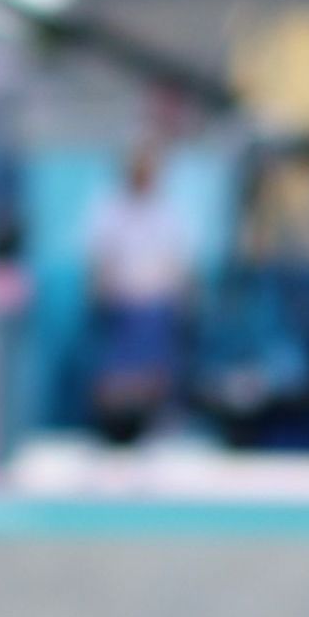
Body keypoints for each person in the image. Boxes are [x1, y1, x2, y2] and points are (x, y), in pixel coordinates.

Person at [76, 136, 199, 449]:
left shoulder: (166, 211)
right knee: (120, 370)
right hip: (122, 305)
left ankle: (158, 423)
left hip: (158, 306)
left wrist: (183, 300)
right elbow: (100, 263)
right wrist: (105, 295)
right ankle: (114, 429)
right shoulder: (109, 209)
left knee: (159, 360)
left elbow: (179, 265)